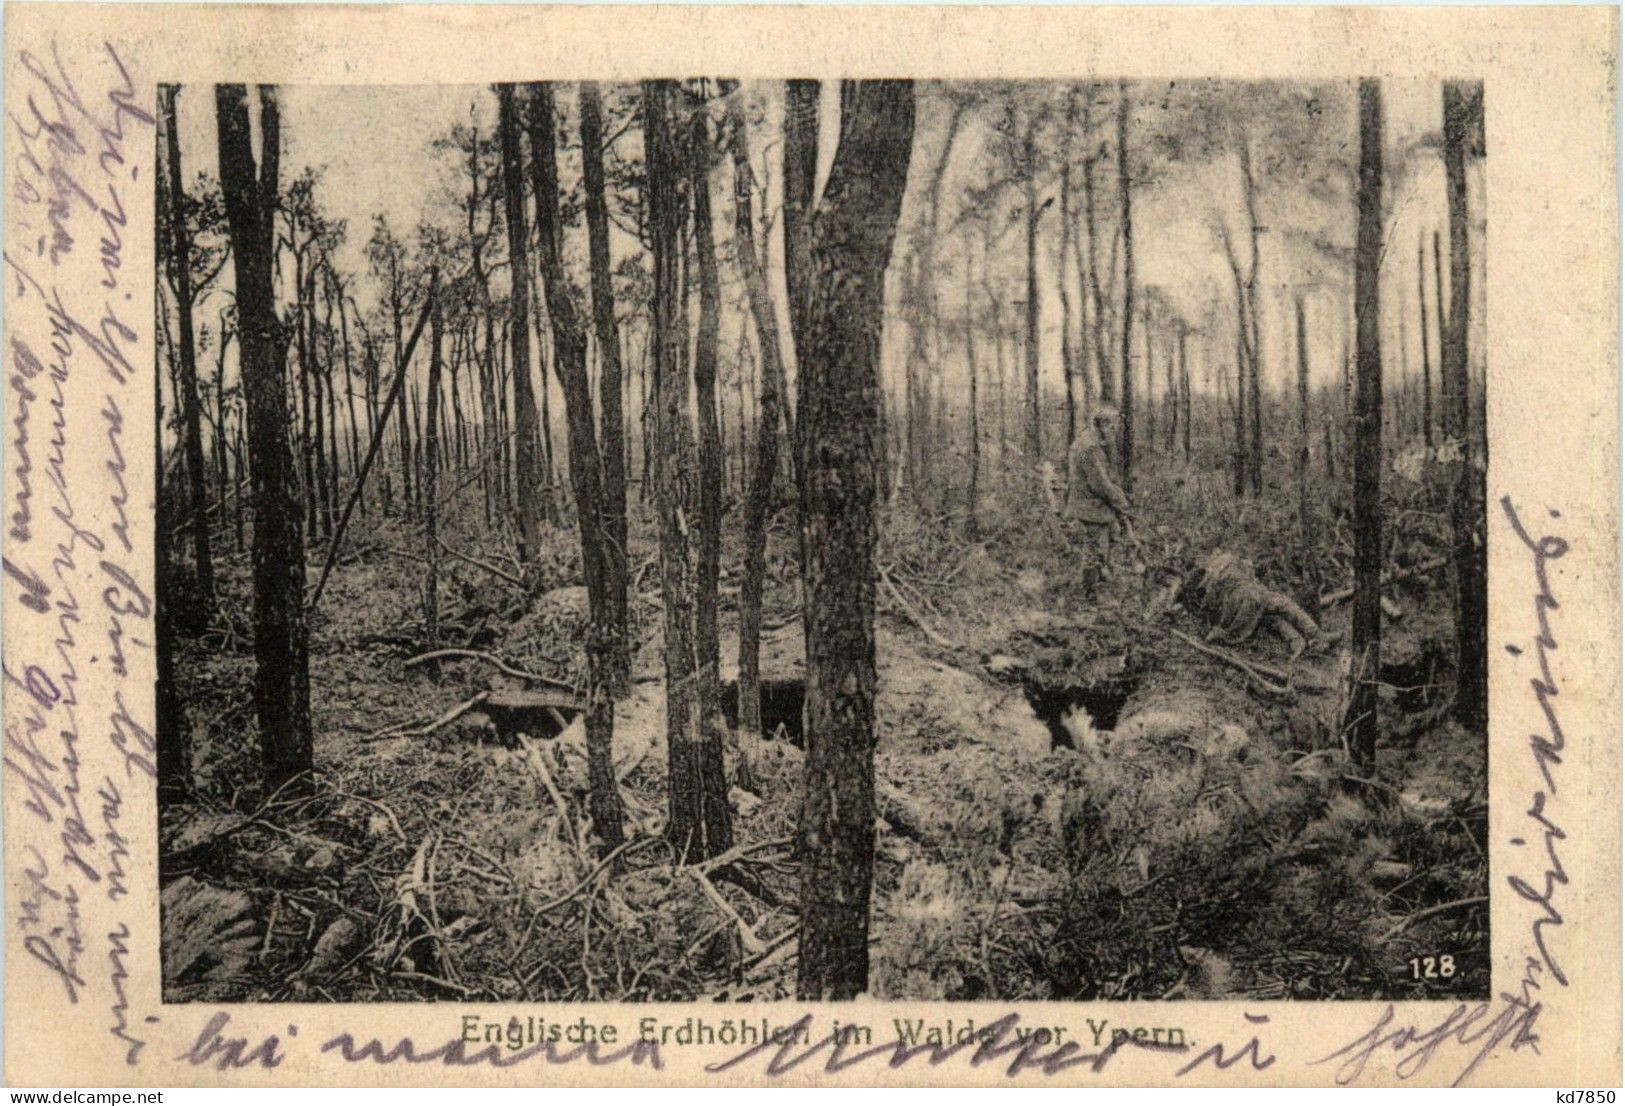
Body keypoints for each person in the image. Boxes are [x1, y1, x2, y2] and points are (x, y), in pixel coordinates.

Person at [1064, 404, 1134, 575]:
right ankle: (1093, 596)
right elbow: (1099, 484)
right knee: (1095, 554)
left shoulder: (1084, 442)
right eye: (1112, 427)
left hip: (1091, 507)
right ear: (1102, 425)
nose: (1114, 432)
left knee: (1103, 549)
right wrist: (1120, 501)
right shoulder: (1090, 448)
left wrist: (1117, 493)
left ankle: (1101, 586)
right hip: (1091, 509)